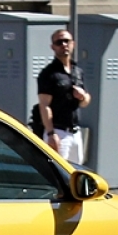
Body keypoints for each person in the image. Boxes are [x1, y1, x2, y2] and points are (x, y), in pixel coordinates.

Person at [30, 28, 90, 164]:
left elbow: (85, 102)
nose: (64, 45)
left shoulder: (78, 71)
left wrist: (83, 96)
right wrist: (51, 134)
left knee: (75, 174)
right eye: (59, 42)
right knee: (58, 173)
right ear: (53, 47)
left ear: (73, 44)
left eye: (66, 41)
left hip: (75, 132)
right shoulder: (49, 74)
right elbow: (44, 105)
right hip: (58, 132)